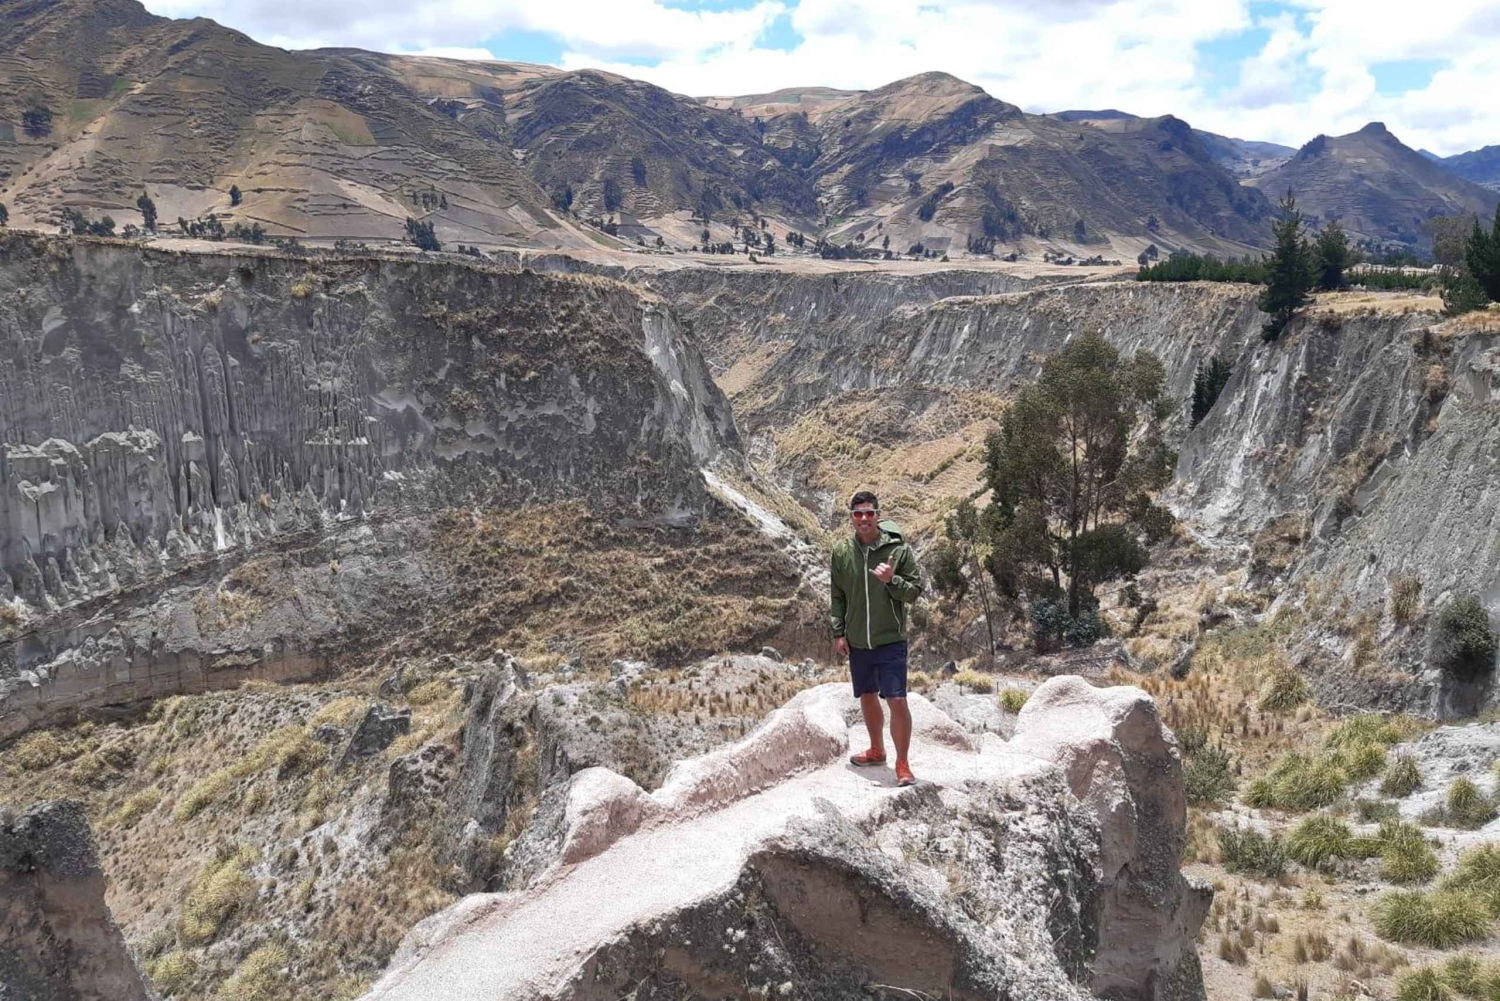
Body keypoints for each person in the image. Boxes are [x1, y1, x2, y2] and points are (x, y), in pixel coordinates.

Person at [830, 490, 924, 786]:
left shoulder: (898, 551)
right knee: (867, 695)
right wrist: (838, 632)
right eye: (858, 514)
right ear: (851, 518)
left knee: (896, 699)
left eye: (869, 513)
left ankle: (903, 763)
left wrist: (891, 580)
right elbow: (837, 595)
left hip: (890, 638)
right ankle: (876, 750)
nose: (864, 519)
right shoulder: (842, 552)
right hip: (858, 640)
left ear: (878, 515)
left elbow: (913, 592)